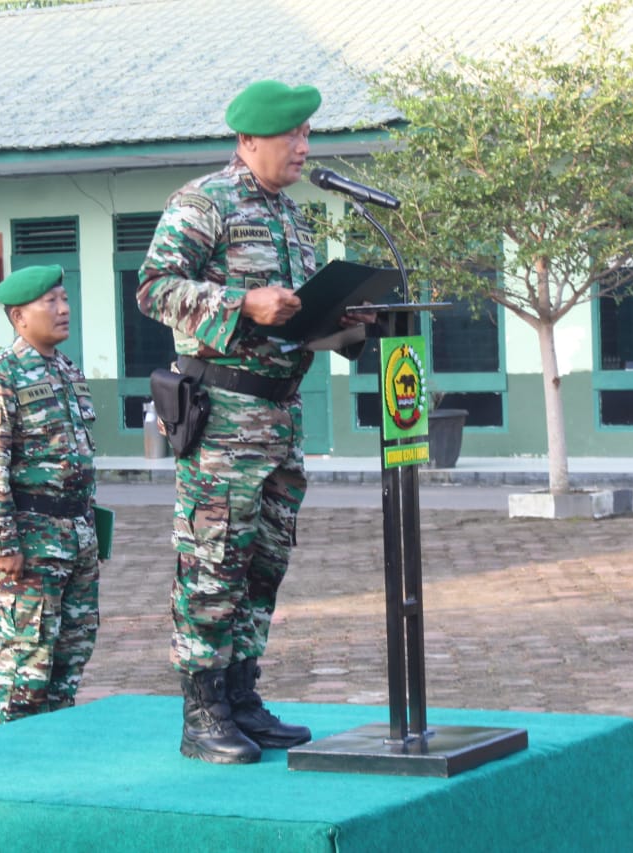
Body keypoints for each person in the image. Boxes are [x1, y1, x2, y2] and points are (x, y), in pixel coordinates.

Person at [138, 80, 367, 764]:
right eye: (291, 136)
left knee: (263, 565)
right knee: (213, 563)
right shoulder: (204, 203)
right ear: (248, 141)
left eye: (306, 135)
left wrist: (341, 322)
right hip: (223, 421)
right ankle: (201, 710)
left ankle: (241, 694)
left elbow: (293, 316)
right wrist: (243, 302)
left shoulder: (293, 218)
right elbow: (153, 288)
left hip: (279, 417)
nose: (303, 147)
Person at [0, 264, 101, 724]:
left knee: (72, 652)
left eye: (64, 299)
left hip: (77, 536)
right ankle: (14, 758)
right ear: (19, 317)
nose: (63, 310)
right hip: (33, 540)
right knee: (29, 659)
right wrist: (3, 544)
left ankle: (56, 750)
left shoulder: (66, 370)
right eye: (51, 302)